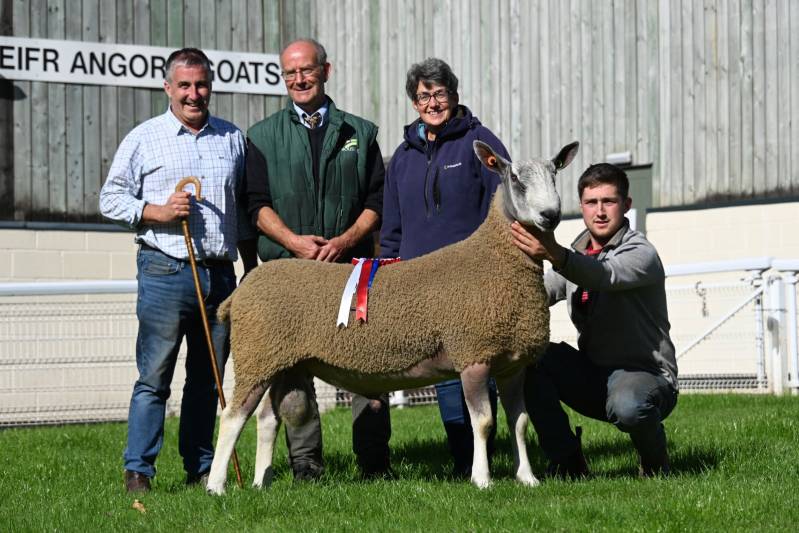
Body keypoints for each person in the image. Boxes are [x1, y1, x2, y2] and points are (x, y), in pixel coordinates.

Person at [99, 48, 257, 493]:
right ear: (167, 88)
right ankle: (139, 472)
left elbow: (242, 213)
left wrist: (251, 268)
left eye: (201, 84)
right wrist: (157, 210)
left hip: (220, 275)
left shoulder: (231, 139)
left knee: (208, 381)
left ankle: (201, 466)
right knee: (155, 378)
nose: (193, 94)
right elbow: (109, 198)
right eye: (184, 85)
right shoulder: (144, 137)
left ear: (211, 86)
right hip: (165, 271)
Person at [244, 38, 388, 480]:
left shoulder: (360, 133)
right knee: (291, 374)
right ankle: (306, 464)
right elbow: (256, 205)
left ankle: (374, 463)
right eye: (290, 73)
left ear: (327, 71)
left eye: (307, 70)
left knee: (369, 365)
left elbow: (376, 201)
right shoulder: (261, 136)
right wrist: (295, 242)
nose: (299, 79)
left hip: (349, 272)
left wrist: (345, 240)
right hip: (291, 274)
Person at [511, 162, 678, 478]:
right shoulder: (578, 251)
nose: (599, 211)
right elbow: (539, 293)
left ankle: (655, 463)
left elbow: (604, 275)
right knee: (529, 359)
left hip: (645, 376)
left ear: (626, 205)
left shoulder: (641, 252)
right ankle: (568, 461)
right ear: (581, 207)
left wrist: (556, 255)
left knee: (629, 406)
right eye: (591, 202)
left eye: (609, 202)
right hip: (594, 376)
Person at [379, 57, 505, 477]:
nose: (432, 102)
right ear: (414, 102)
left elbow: (505, 205)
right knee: (444, 374)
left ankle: (486, 457)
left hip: (473, 281)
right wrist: (390, 275)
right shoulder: (401, 156)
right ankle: (464, 460)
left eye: (439, 93)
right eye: (423, 96)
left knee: (477, 368)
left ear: (454, 95)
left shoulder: (479, 141)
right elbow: (392, 226)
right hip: (420, 285)